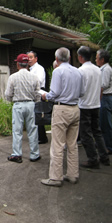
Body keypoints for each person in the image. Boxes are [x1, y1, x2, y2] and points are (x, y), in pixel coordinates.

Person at [41, 47, 84, 187]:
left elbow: (54, 93)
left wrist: (45, 96)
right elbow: (82, 93)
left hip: (62, 109)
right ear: (70, 58)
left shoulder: (58, 71)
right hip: (75, 108)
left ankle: (55, 177)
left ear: (57, 59)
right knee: (72, 144)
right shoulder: (78, 72)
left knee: (58, 144)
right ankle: (72, 175)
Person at [77, 46, 110, 169]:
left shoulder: (80, 71)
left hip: (85, 105)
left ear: (80, 57)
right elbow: (101, 88)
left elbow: (79, 90)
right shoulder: (98, 70)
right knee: (97, 131)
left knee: (86, 134)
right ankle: (104, 157)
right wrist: (98, 100)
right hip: (96, 104)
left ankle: (93, 159)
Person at [5, 54, 41, 163]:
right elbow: (38, 94)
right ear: (27, 64)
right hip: (31, 104)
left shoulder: (13, 77)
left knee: (17, 131)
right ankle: (34, 154)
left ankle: (17, 154)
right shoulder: (34, 77)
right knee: (33, 130)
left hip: (18, 105)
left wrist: (12, 100)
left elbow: (7, 94)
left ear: (18, 64)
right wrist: (35, 102)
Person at [96, 49, 112, 155]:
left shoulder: (106, 70)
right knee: (103, 123)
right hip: (107, 98)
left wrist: (98, 98)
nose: (95, 60)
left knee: (105, 125)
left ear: (102, 59)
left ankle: (110, 147)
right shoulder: (106, 69)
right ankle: (106, 145)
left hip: (105, 98)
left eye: (97, 58)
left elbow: (103, 85)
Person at [27, 51, 48, 144]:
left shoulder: (39, 68)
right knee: (35, 116)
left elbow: (38, 81)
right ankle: (38, 136)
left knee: (39, 116)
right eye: (28, 58)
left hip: (39, 93)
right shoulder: (31, 69)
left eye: (31, 57)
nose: (29, 59)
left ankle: (42, 137)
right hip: (33, 94)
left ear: (36, 58)